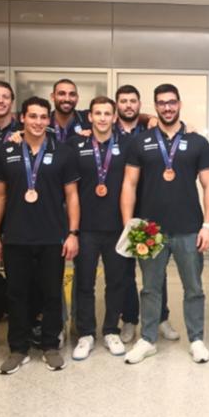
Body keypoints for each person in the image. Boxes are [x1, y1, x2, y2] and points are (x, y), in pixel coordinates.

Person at [121, 84, 209, 364]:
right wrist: (129, 225)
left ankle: (196, 339)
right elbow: (129, 184)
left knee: (194, 288)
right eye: (161, 103)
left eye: (172, 102)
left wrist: (208, 225)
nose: (167, 107)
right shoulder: (140, 142)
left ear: (179, 104)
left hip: (189, 227)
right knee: (150, 288)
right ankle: (148, 339)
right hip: (148, 229)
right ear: (155, 106)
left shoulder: (198, 142)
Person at [0, 96, 80, 374]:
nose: (38, 122)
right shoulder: (6, 151)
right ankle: (18, 348)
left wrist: (73, 233)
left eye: (43, 117)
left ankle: (50, 346)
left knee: (52, 293)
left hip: (52, 236)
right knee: (17, 294)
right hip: (16, 236)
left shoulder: (63, 152)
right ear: (22, 118)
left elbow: (72, 195)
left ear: (48, 120)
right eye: (33, 116)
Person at [113, 84, 179, 344]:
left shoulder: (150, 130)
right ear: (116, 105)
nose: (128, 105)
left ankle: (161, 318)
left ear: (140, 105)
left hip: (149, 210)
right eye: (123, 101)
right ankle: (129, 319)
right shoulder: (104, 131)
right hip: (119, 210)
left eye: (133, 101)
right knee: (125, 271)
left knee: (156, 272)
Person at [68, 97, 131, 361]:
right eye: (98, 113)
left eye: (107, 113)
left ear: (115, 117)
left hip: (117, 226)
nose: (103, 118)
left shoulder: (127, 145)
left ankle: (111, 330)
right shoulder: (75, 144)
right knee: (85, 282)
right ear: (90, 117)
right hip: (86, 227)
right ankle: (86, 334)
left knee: (116, 282)